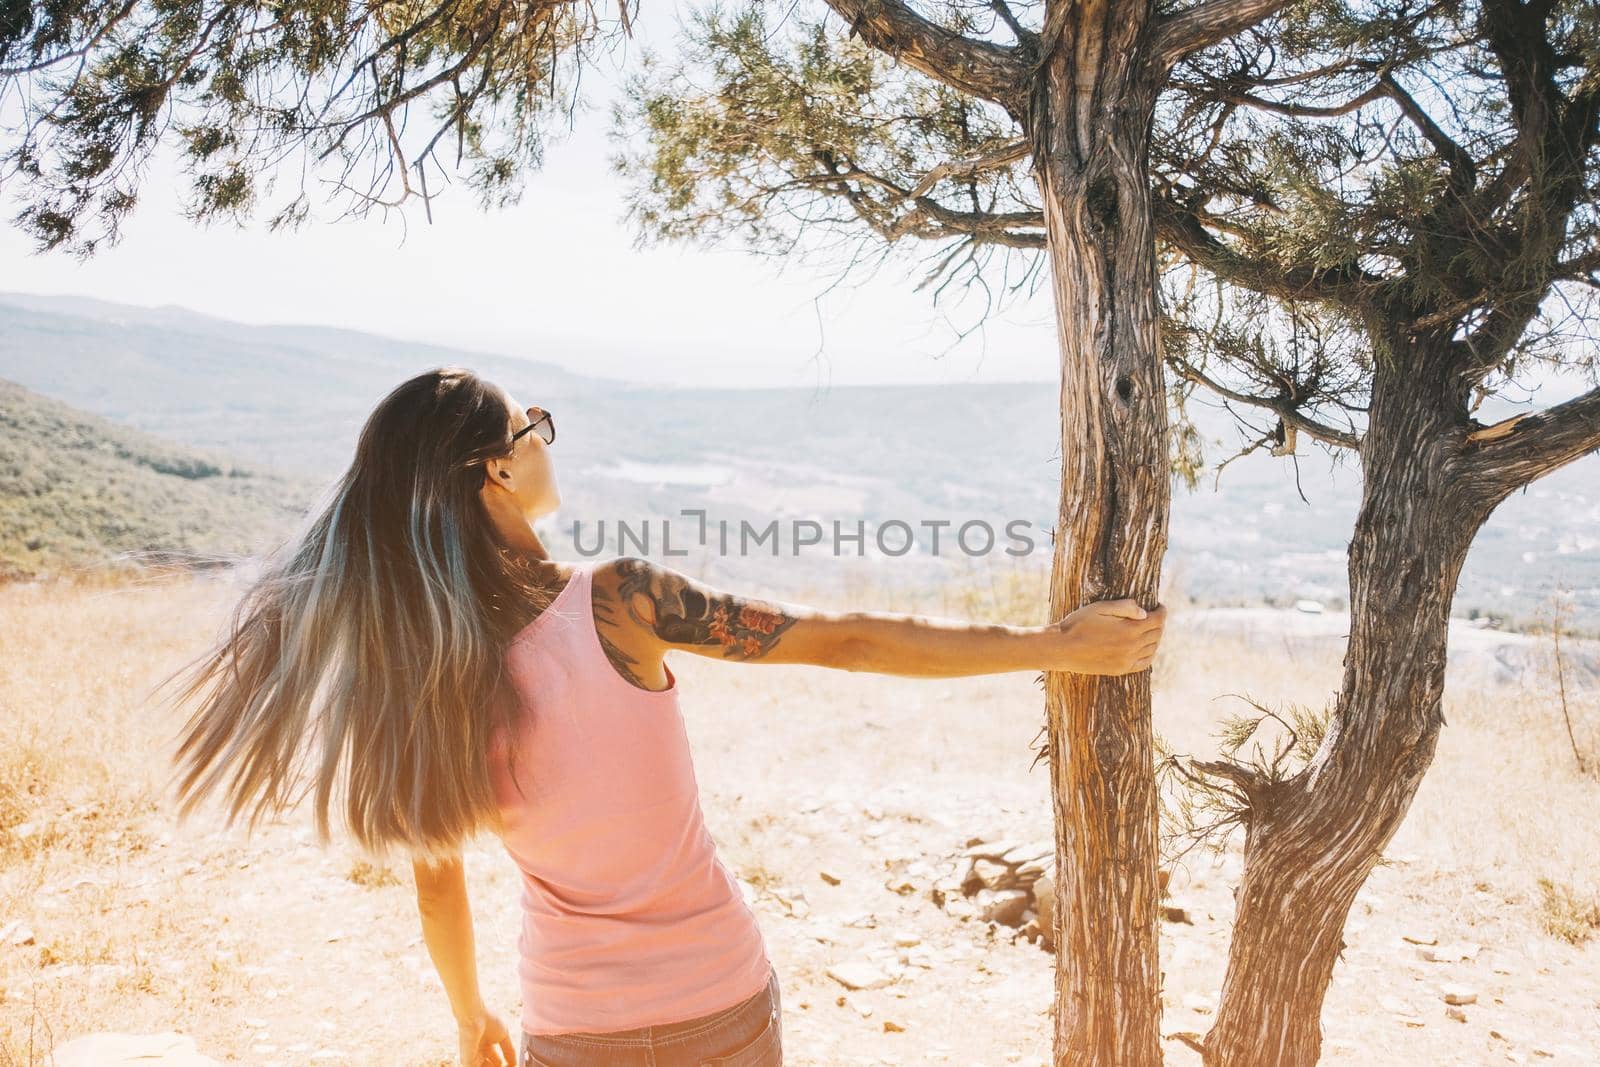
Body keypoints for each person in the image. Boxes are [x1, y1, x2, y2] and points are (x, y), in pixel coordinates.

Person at [157, 366, 1167, 1067]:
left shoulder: (417, 671)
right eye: (528, 429)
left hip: (571, 1023)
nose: (542, 442)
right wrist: (1059, 646)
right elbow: (844, 640)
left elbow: (436, 886)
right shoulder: (622, 601)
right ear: (494, 471)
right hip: (713, 1001)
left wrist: (470, 1018)